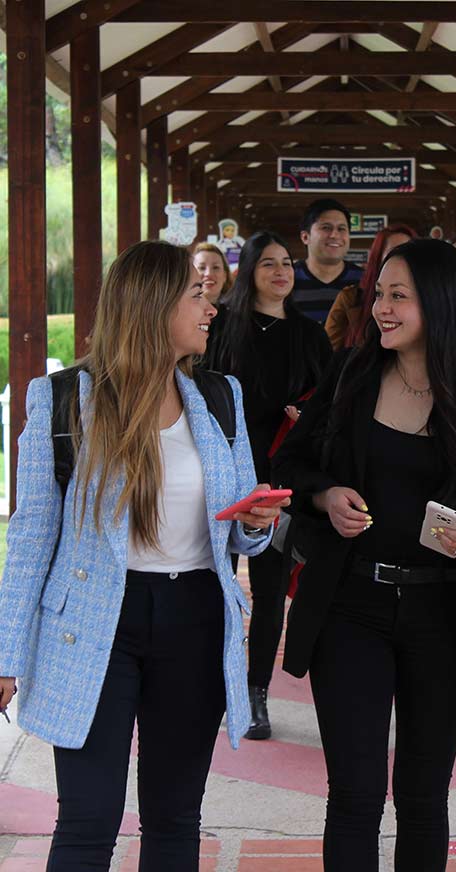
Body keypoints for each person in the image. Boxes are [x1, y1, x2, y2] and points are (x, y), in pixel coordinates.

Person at [0, 240, 288, 871]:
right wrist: (7, 657)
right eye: (196, 293)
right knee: (87, 820)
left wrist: (256, 521)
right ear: (154, 305)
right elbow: (29, 539)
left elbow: (238, 529)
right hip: (94, 619)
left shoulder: (220, 396)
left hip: (194, 616)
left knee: (174, 817)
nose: (210, 304)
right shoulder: (64, 399)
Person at [272, 238, 456, 871]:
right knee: (355, 796)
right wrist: (325, 495)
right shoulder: (350, 376)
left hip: (444, 614)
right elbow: (290, 463)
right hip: (350, 607)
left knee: (423, 798)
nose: (381, 310)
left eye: (399, 296)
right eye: (379, 296)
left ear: (442, 304)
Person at [204, 230, 332, 740]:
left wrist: (309, 419)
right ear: (250, 271)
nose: (281, 272)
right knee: (214, 585)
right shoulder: (220, 329)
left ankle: (257, 692)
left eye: (287, 264)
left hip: (282, 480)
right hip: (224, 477)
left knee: (271, 590)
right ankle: (214, 685)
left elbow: (331, 405)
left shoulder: (309, 335)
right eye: (269, 264)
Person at [325, 223, 418, 350]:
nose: (401, 261)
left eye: (409, 254)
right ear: (378, 258)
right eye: (393, 254)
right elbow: (328, 354)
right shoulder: (350, 298)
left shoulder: (426, 299)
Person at [293, 198, 363, 323]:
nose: (335, 235)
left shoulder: (365, 280)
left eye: (341, 229)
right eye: (326, 228)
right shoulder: (286, 279)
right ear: (305, 237)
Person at [193, 241, 233, 305]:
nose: (208, 273)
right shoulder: (177, 311)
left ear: (225, 276)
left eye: (215, 267)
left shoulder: (240, 312)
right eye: (202, 268)